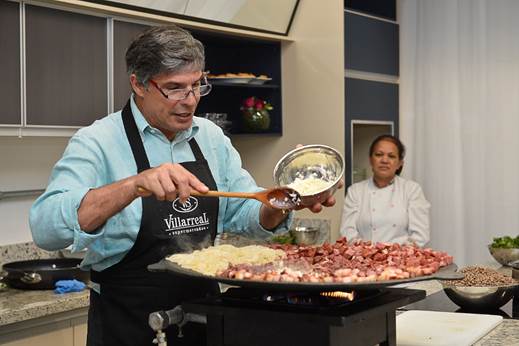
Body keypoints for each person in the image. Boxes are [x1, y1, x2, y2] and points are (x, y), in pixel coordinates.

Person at [29, 25, 338, 346]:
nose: (189, 101)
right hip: (128, 322)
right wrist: (133, 185)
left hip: (204, 316)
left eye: (196, 85)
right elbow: (45, 229)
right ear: (138, 84)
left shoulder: (210, 137)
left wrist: (282, 202)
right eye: (174, 88)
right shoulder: (98, 141)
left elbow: (244, 214)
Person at [339, 134, 430, 247]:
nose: (384, 160)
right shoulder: (355, 191)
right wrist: (368, 254)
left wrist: (395, 256)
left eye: (391, 156)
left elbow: (420, 235)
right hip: (364, 260)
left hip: (401, 261)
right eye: (379, 155)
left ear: (400, 164)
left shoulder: (411, 190)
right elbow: (347, 232)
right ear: (371, 160)